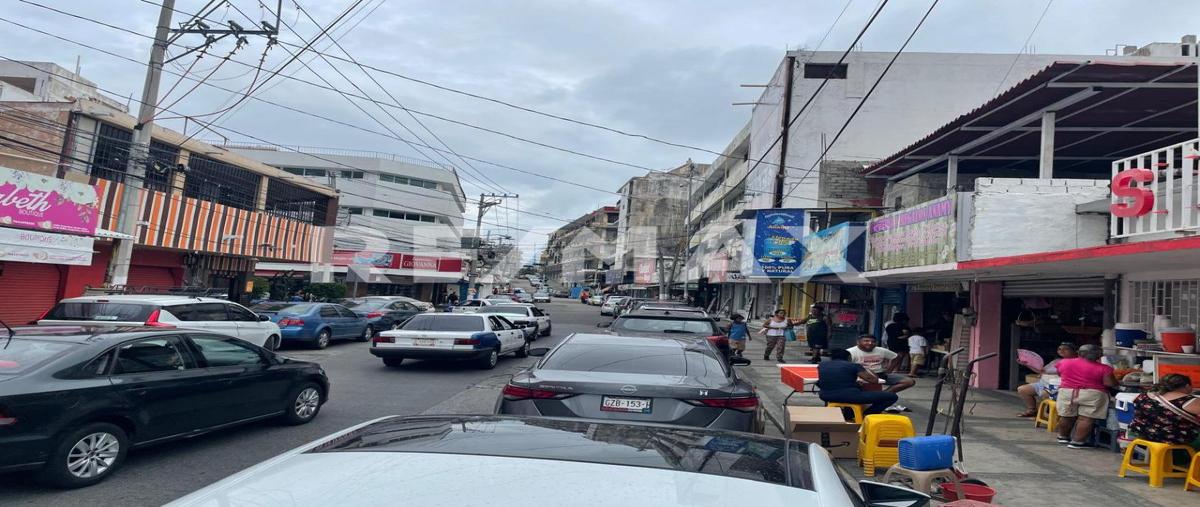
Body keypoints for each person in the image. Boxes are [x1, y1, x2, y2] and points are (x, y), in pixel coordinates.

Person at [1055, 344, 1117, 449]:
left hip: (1067, 392)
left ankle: (1062, 437)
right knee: (1086, 418)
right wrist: (1117, 382)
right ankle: (1077, 442)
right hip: (1092, 394)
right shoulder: (1105, 368)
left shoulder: (1064, 362)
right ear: (1098, 355)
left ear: (1079, 353)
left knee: (1067, 416)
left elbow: (1060, 374)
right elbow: (1109, 383)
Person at [818, 348, 900, 417]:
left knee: (853, 390)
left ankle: (849, 415)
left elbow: (833, 379)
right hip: (849, 396)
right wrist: (867, 369)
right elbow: (874, 380)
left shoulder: (822, 365)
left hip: (825, 396)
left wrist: (855, 383)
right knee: (891, 396)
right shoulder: (854, 366)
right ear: (849, 357)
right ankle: (867, 415)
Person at [1128, 373, 1200, 449]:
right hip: (1169, 441)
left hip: (1139, 437)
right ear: (1187, 386)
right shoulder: (1189, 401)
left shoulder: (1144, 395)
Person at [848, 335, 915, 411]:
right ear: (858, 342)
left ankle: (883, 395)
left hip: (880, 374)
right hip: (860, 375)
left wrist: (889, 369)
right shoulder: (850, 352)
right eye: (866, 341)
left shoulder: (881, 350)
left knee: (909, 381)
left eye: (873, 342)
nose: (870, 343)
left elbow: (897, 357)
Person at [1015, 343, 1077, 417]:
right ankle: (1032, 410)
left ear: (1074, 351)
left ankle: (1051, 416)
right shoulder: (1056, 360)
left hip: (1057, 387)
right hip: (1042, 384)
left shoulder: (1075, 362)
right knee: (1022, 389)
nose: (1062, 351)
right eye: (1060, 349)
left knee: (1044, 394)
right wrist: (1026, 364)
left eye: (1066, 349)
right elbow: (1041, 371)